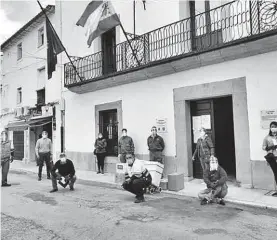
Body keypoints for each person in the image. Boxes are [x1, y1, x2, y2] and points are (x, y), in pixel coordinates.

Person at [262, 121, 277, 196]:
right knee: (276, 173)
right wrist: (271, 147)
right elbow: (263, 147)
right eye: (272, 126)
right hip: (272, 157)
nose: (273, 128)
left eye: (275, 126)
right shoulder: (267, 138)